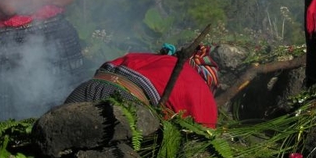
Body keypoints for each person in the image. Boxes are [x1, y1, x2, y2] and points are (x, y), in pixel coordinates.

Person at [65, 44, 220, 128]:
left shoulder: (155, 58)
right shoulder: (200, 89)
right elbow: (203, 132)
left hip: (89, 87)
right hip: (126, 104)